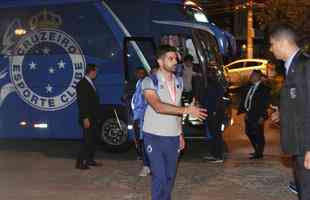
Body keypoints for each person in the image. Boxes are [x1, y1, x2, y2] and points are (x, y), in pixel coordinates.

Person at [142, 45, 207, 200]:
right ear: (159, 61)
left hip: (172, 136)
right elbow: (157, 106)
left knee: (170, 177)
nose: (175, 61)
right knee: (160, 176)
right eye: (170, 58)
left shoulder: (179, 82)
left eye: (175, 58)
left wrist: (180, 134)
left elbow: (176, 110)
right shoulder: (149, 81)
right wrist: (186, 110)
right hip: (153, 136)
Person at [269, 23, 310, 200]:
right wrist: (282, 113)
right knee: (303, 189)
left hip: (305, 145)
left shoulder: (304, 66)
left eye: (272, 44)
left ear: (282, 42)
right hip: (298, 144)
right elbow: (299, 102)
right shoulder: (292, 65)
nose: (271, 49)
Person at [238, 70, 270, 159]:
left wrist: (263, 116)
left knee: (259, 134)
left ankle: (259, 153)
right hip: (249, 114)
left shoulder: (264, 88)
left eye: (252, 76)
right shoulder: (249, 86)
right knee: (248, 132)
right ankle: (257, 150)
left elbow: (265, 103)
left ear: (258, 77)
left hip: (258, 115)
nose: (250, 77)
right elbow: (242, 92)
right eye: (251, 75)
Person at [75, 63, 102, 170]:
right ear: (92, 71)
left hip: (93, 117)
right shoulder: (82, 84)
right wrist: (85, 118)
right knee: (87, 141)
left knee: (93, 140)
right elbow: (82, 103)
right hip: (87, 118)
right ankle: (80, 163)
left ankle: (90, 160)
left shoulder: (90, 82)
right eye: (96, 71)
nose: (97, 73)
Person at [202, 72, 226, 163]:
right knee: (213, 134)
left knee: (216, 134)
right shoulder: (213, 85)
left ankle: (218, 156)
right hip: (212, 112)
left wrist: (214, 112)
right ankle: (214, 154)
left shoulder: (215, 86)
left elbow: (217, 100)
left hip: (215, 113)